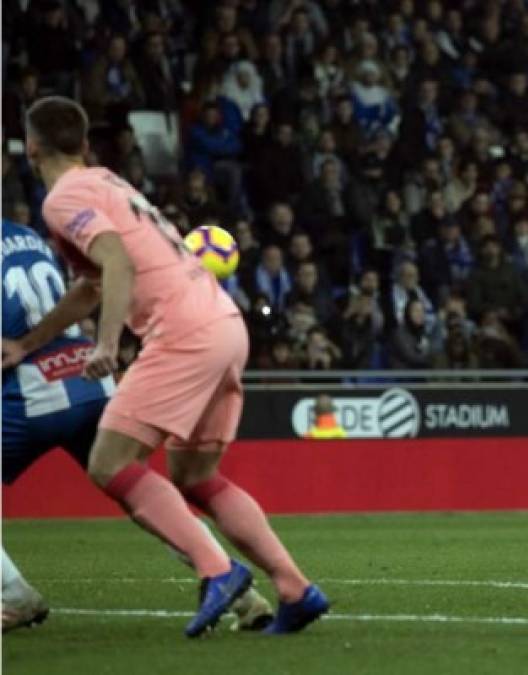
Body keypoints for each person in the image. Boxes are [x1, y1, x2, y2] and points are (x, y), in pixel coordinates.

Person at [5, 97, 328, 636]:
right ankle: (295, 589)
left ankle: (218, 571)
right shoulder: (108, 182)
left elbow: (116, 261)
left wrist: (107, 343)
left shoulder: (63, 198)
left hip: (181, 333)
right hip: (223, 323)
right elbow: (91, 285)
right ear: (85, 145)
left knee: (108, 462)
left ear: (31, 146)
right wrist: (29, 341)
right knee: (194, 475)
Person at [0, 219, 272, 633]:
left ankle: (14, 595)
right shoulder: (25, 234)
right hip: (86, 374)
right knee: (139, 490)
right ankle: (241, 591)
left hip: (28, 391)